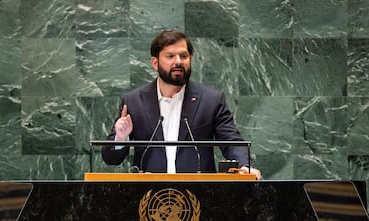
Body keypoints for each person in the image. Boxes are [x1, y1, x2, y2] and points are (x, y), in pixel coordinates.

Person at [101, 30, 262, 180]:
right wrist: (121, 138)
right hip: (150, 198)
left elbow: (231, 141)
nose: (178, 62)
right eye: (170, 56)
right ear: (155, 63)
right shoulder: (134, 101)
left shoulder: (210, 100)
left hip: (200, 195)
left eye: (184, 56)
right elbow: (110, 159)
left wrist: (245, 166)